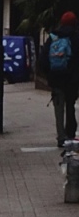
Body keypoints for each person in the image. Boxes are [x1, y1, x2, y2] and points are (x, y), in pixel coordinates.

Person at [43, 10, 79, 148]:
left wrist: (50, 74)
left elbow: (43, 60)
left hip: (56, 79)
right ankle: (70, 134)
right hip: (72, 80)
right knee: (70, 106)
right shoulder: (76, 38)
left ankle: (61, 137)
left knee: (59, 110)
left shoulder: (53, 37)